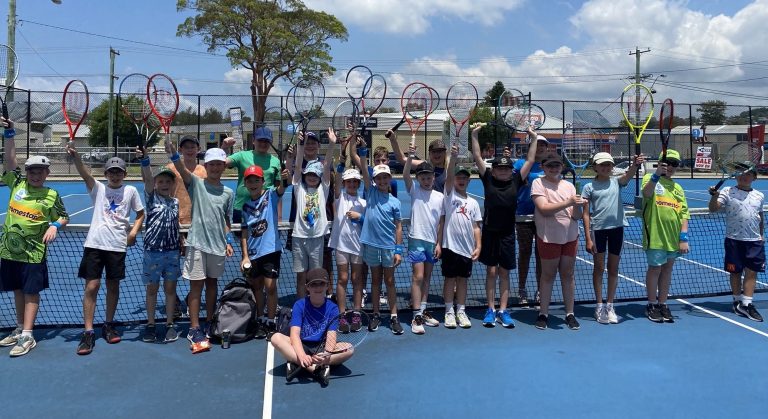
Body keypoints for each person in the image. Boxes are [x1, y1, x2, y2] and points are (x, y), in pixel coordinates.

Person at [65, 146, 145, 355]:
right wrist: (76, 157)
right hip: (94, 245)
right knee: (92, 286)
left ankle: (108, 324)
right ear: (106, 174)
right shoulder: (98, 189)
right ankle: (88, 331)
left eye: (119, 172)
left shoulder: (131, 191)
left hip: (117, 246)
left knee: (113, 286)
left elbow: (140, 213)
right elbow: (84, 173)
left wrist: (134, 233)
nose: (115, 175)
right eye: (111, 172)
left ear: (124, 174)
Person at [0, 118, 68, 357]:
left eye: (40, 171)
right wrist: (9, 133)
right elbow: (10, 161)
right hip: (9, 250)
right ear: (26, 173)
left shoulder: (51, 195)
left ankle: (28, 335)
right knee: (17, 290)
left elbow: (64, 217)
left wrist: (54, 226)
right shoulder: (16, 183)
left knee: (30, 292)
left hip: (33, 253)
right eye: (32, 171)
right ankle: (19, 328)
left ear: (47, 173)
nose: (36, 175)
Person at [167, 142, 235, 352]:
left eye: (218, 164)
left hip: (217, 246)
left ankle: (209, 321)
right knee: (196, 287)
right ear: (205, 166)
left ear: (224, 166)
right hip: (196, 243)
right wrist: (173, 152)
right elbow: (180, 168)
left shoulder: (228, 193)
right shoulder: (196, 183)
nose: (215, 168)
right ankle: (194, 327)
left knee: (212, 284)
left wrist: (229, 241)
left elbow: (227, 220)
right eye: (211, 164)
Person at [470, 125, 538, 328]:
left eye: (506, 168)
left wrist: (533, 139)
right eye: (499, 168)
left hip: (508, 234)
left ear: (511, 171)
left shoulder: (516, 180)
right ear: (494, 170)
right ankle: (490, 309)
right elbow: (476, 156)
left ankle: (503, 310)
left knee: (504, 273)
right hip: (490, 233)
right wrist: (474, 135)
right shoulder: (488, 180)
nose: (503, 171)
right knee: (491, 272)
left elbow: (531, 160)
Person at [582, 152, 645, 324]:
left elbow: (629, 174)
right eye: (602, 165)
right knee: (599, 268)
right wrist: (588, 237)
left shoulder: (617, 182)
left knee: (613, 268)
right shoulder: (589, 187)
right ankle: (599, 305)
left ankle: (610, 305)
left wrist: (635, 164)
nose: (606, 167)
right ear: (595, 167)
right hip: (598, 231)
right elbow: (586, 214)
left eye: (609, 164)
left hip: (617, 229)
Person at [270, 268, 353, 387]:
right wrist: (302, 354)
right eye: (314, 284)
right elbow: (294, 335)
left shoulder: (333, 308)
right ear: (307, 287)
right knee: (276, 338)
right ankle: (315, 368)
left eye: (321, 284)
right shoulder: (300, 305)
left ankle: (296, 362)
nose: (318, 288)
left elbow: (331, 335)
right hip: (301, 345)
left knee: (349, 349)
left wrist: (327, 354)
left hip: (321, 346)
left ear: (327, 286)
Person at [354, 142, 404, 334]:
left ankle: (393, 316)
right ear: (374, 180)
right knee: (375, 281)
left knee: (390, 282)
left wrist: (398, 249)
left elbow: (398, 227)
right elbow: (365, 171)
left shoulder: (395, 202)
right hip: (372, 246)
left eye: (385, 177)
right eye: (379, 178)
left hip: (389, 247)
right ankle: (375, 314)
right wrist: (363, 151)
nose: (382, 181)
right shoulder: (371, 192)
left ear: (389, 178)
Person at [530, 152, 584, 331]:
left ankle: (570, 314)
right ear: (543, 167)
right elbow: (544, 209)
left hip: (570, 237)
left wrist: (577, 205)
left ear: (562, 167)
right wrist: (569, 202)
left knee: (568, 276)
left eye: (557, 165)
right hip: (548, 237)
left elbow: (576, 216)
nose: (553, 169)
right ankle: (543, 314)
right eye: (549, 165)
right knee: (548, 276)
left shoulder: (569, 186)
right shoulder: (538, 183)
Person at [136, 148, 181, 343]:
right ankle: (151, 324)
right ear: (155, 184)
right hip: (152, 253)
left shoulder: (177, 202)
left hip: (172, 253)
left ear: (172, 184)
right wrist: (145, 161)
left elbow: (176, 225)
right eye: (160, 181)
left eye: (167, 181)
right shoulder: (151, 197)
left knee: (170, 290)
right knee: (152, 290)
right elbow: (146, 179)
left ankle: (170, 324)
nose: (164, 184)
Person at [708, 168, 764, 322]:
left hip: (754, 241)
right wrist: (715, 196)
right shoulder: (726, 191)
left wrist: (762, 234)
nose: (744, 177)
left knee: (752, 271)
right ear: (736, 176)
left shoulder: (759, 195)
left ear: (754, 177)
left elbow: (760, 215)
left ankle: (747, 303)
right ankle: (736, 301)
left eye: (748, 174)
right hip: (734, 240)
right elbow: (713, 209)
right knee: (735, 272)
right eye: (741, 173)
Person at [641, 149, 689, 323]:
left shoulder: (678, 188)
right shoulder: (649, 179)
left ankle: (663, 303)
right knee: (655, 269)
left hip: (673, 238)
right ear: (660, 163)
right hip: (655, 236)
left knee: (667, 270)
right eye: (666, 162)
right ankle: (651, 304)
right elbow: (646, 194)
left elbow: (684, 214)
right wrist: (655, 176)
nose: (670, 166)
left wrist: (683, 238)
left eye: (674, 164)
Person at [240, 164, 288, 338]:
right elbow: (244, 232)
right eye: (250, 180)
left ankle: (271, 319)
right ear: (245, 183)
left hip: (271, 251)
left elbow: (283, 187)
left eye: (257, 180)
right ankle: (261, 318)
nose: (253, 183)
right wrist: (245, 256)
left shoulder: (270, 196)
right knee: (258, 287)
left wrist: (284, 176)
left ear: (262, 181)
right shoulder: (245, 207)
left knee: (271, 287)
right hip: (252, 254)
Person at [286, 131, 336, 298]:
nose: (312, 177)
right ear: (304, 176)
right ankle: (301, 306)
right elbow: (298, 166)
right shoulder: (298, 188)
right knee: (301, 277)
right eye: (309, 175)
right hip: (299, 238)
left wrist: (331, 144)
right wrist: (300, 146)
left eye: (316, 175)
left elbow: (327, 163)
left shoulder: (324, 189)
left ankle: (316, 304)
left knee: (316, 276)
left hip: (317, 239)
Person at [403, 145, 445, 334]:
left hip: (431, 243)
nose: (426, 180)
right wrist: (411, 156)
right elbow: (405, 174)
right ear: (417, 178)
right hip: (416, 240)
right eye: (422, 177)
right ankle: (416, 316)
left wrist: (438, 243)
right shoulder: (414, 191)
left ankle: (424, 310)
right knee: (418, 276)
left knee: (427, 277)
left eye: (429, 177)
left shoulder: (440, 197)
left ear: (433, 178)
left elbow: (440, 223)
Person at [440, 143, 482, 329]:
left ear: (469, 181)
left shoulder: (473, 203)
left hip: (467, 249)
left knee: (463, 281)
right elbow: (448, 177)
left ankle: (461, 311)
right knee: (449, 280)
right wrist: (453, 158)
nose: (461, 180)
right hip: (450, 247)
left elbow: (476, 227)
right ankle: (449, 311)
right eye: (458, 177)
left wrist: (478, 246)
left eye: (465, 177)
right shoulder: (449, 196)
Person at [165, 135, 206, 319]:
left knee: (198, 269)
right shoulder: (170, 169)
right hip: (174, 225)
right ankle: (172, 303)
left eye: (193, 146)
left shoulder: (203, 171)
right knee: (171, 269)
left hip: (197, 226)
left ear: (198, 149)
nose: (190, 149)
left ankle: (191, 299)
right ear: (180, 149)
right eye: (186, 146)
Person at [329, 136, 367, 333]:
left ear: (359, 184)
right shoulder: (339, 196)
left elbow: (368, 223)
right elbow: (336, 178)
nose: (352, 184)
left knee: (356, 279)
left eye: (355, 182)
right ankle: (343, 315)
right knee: (342, 279)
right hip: (342, 246)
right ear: (344, 183)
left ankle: (357, 312)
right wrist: (343, 157)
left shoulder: (363, 203)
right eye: (349, 181)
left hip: (358, 246)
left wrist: (359, 217)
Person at [512, 134, 550, 305]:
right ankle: (522, 290)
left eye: (543, 145)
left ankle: (541, 291)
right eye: (537, 144)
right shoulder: (521, 164)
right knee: (525, 254)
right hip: (523, 216)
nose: (540, 148)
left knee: (542, 255)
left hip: (543, 217)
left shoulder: (549, 166)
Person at [223, 127, 282, 228]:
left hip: (265, 211)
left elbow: (278, 192)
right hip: (241, 208)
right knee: (242, 242)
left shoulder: (275, 161)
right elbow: (221, 163)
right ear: (254, 141)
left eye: (266, 141)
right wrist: (224, 147)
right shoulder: (242, 156)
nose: (263, 143)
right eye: (260, 140)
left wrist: (279, 216)